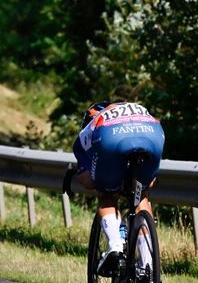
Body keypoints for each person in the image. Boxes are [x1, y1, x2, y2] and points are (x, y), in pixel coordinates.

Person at [63, 101, 165, 274]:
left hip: (110, 137)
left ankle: (115, 247)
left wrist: (80, 177)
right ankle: (148, 267)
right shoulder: (134, 108)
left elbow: (89, 182)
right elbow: (152, 180)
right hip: (153, 133)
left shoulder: (87, 130)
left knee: (107, 195)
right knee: (141, 196)